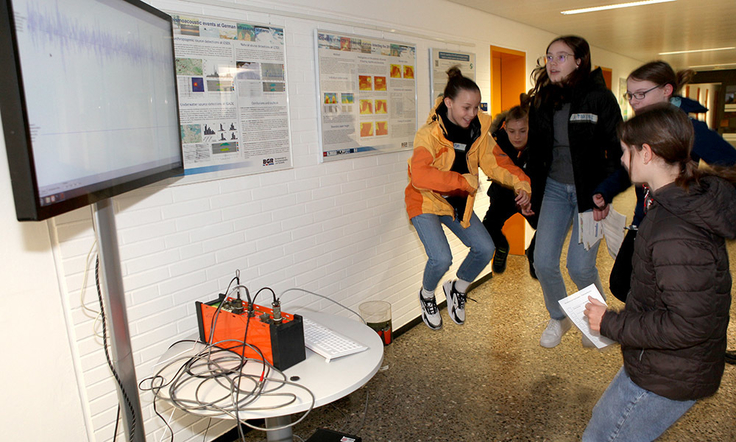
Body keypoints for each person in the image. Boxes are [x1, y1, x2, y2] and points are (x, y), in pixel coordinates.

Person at [583, 103, 736, 441]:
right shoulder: (673, 200)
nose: (622, 160)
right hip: (659, 362)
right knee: (600, 429)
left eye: (626, 152)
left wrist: (609, 323)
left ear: (647, 153)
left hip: (671, 373)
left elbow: (688, 324)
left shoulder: (676, 228)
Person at [594, 60, 736, 303]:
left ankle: (650, 325)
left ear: (666, 91)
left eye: (641, 94)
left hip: (676, 219)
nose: (634, 101)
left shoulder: (687, 128)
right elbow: (628, 168)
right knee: (622, 283)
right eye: (630, 95)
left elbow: (731, 161)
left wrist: (706, 195)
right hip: (645, 217)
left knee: (654, 288)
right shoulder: (643, 126)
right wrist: (605, 191)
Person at [405, 66, 532, 330]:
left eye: (476, 107)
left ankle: (457, 288)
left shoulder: (478, 134)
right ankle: (427, 295)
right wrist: (462, 181)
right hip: (425, 201)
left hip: (455, 203)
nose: (472, 114)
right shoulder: (428, 135)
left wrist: (522, 182)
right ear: (449, 103)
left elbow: (497, 164)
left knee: (485, 247)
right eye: (466, 108)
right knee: (441, 258)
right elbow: (419, 175)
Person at [525, 35, 623, 348]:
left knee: (579, 266)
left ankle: (599, 321)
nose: (552, 63)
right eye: (549, 57)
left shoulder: (599, 98)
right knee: (543, 261)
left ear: (579, 60)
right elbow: (534, 151)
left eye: (561, 57)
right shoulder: (542, 99)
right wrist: (527, 188)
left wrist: (605, 193)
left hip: (588, 193)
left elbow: (618, 152)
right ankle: (559, 316)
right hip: (553, 189)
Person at [482, 104, 537, 278]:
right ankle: (502, 246)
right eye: (512, 131)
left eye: (522, 131)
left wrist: (528, 195)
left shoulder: (539, 144)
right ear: (505, 127)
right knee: (488, 227)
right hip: (503, 195)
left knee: (545, 228)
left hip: (529, 196)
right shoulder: (497, 140)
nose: (517, 137)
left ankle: (534, 254)